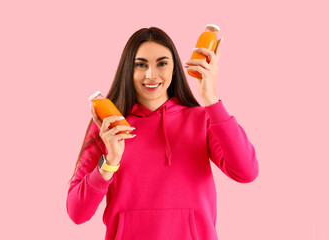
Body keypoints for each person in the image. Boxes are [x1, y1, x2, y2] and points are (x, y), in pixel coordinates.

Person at [66, 26, 259, 240]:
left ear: (175, 68)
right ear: (128, 69)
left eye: (162, 63)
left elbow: (246, 172)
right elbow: (77, 213)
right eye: (141, 65)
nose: (151, 75)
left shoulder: (202, 119)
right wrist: (110, 162)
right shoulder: (109, 127)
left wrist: (211, 98)